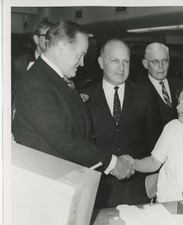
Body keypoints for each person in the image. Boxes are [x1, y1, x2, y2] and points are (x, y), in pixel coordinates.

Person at [12, 20, 134, 181]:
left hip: (66, 176)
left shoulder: (58, 78)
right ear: (61, 48)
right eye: (80, 55)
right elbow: (64, 140)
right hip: (49, 182)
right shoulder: (36, 83)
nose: (82, 63)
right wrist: (112, 162)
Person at [83, 39, 160, 208]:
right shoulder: (84, 97)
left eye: (126, 61)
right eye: (115, 61)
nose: (121, 67)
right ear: (101, 62)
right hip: (100, 187)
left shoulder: (144, 95)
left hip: (137, 187)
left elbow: (154, 142)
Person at [11, 20, 54, 118]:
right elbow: (10, 96)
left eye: (53, 37)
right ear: (36, 39)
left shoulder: (59, 65)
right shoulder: (19, 63)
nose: (50, 40)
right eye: (47, 36)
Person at [140, 42, 183, 135]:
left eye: (164, 61)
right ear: (145, 64)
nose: (161, 66)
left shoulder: (179, 85)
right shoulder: (139, 90)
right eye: (155, 61)